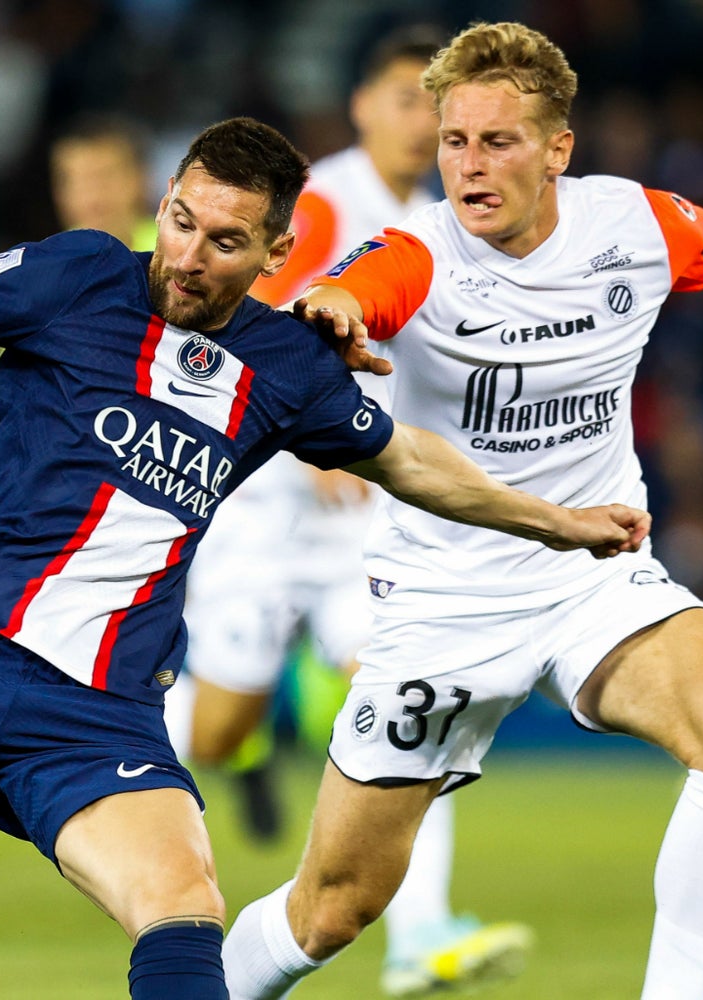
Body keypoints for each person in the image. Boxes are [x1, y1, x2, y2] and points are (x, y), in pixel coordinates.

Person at [0, 117, 649, 999]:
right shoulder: (77, 275)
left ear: (274, 248)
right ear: (161, 202)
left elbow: (412, 464)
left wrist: (557, 522)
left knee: (183, 902)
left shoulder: (286, 363)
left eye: (223, 241)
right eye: (178, 220)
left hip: (95, 714)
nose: (187, 254)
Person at [219, 24, 703, 1000]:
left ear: (557, 150)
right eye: (454, 140)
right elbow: (350, 289)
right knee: (329, 909)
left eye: (497, 141)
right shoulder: (418, 251)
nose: (467, 165)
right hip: (441, 604)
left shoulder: (631, 224)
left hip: (591, 575)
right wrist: (331, 312)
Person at [165, 26, 534, 998]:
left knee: (412, 695)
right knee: (209, 730)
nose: (424, 123)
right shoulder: (325, 201)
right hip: (271, 502)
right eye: (405, 100)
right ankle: (48, 747)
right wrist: (302, 428)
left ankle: (419, 937)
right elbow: (246, 325)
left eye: (438, 107)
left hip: (365, 513)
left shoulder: (432, 216)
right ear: (361, 105)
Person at [50, 116, 158, 252]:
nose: (93, 195)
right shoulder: (46, 264)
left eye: (105, 177)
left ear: (141, 178)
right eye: (81, 181)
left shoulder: (178, 252)